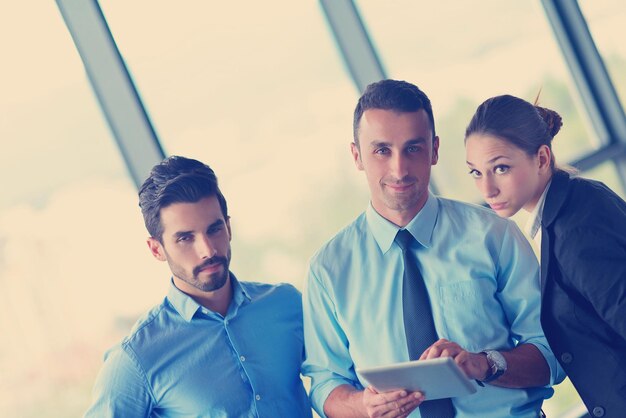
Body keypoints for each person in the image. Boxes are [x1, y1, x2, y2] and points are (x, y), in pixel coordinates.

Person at [302, 79, 563, 418]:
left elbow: (553, 353)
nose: (399, 169)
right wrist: (362, 406)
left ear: (435, 149)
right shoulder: (328, 270)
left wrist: (483, 364)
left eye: (413, 148)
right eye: (382, 150)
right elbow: (324, 383)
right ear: (357, 156)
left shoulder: (494, 237)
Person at [84, 156, 312, 417]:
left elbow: (336, 378)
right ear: (156, 249)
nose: (208, 250)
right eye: (185, 238)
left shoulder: (286, 304)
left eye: (214, 229)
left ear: (228, 227)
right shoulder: (136, 358)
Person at [464, 94, 626, 418]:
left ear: (541, 158)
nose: (488, 189)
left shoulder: (576, 229)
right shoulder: (574, 203)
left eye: (501, 168)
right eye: (476, 173)